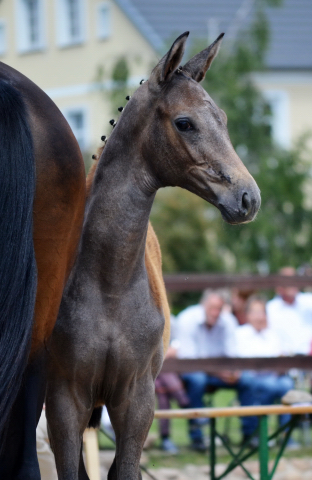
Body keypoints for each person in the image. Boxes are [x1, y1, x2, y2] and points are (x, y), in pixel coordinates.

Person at [175, 289, 249, 451]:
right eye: (212, 308)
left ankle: (249, 434)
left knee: (247, 380)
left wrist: (234, 371)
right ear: (203, 305)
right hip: (192, 371)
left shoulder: (228, 321)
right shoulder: (187, 318)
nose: (215, 312)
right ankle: (197, 437)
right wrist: (219, 371)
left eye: (219, 308)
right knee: (197, 380)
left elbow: (232, 353)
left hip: (218, 372)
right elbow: (189, 359)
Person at [232, 295, 294, 443]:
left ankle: (285, 434)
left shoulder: (273, 334)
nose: (259, 316)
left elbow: (282, 357)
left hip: (274, 377)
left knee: (287, 385)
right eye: (255, 312)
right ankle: (257, 432)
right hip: (251, 378)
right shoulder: (240, 334)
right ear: (247, 315)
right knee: (267, 386)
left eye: (262, 312)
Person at [266, 266, 312, 355]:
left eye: (294, 279)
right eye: (287, 280)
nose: (291, 284)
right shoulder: (270, 308)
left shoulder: (309, 301)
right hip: (282, 362)